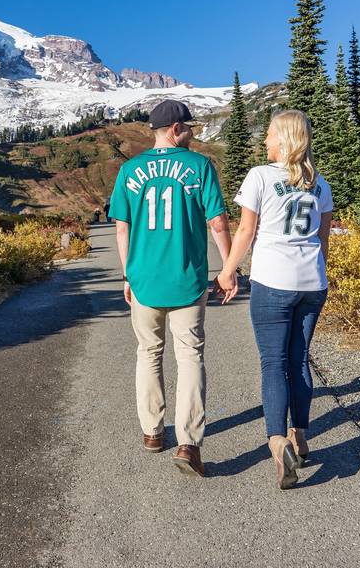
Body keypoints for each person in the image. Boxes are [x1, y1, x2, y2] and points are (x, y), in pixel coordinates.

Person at [108, 99, 232, 477]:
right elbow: (218, 223)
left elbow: (122, 228)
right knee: (190, 355)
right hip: (187, 279)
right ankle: (189, 443)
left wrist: (128, 275)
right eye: (189, 127)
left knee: (149, 352)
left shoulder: (130, 170)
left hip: (144, 280)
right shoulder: (199, 167)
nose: (193, 133)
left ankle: (152, 432)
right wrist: (229, 267)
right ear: (176, 129)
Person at [216, 110, 333, 490]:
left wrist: (228, 270)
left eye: (268, 135)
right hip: (312, 283)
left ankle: (277, 441)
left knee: (273, 363)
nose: (264, 142)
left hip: (273, 282)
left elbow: (247, 230)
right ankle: (301, 435)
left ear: (283, 139)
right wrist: (314, 274)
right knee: (299, 360)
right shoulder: (321, 185)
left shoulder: (261, 176)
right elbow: (323, 241)